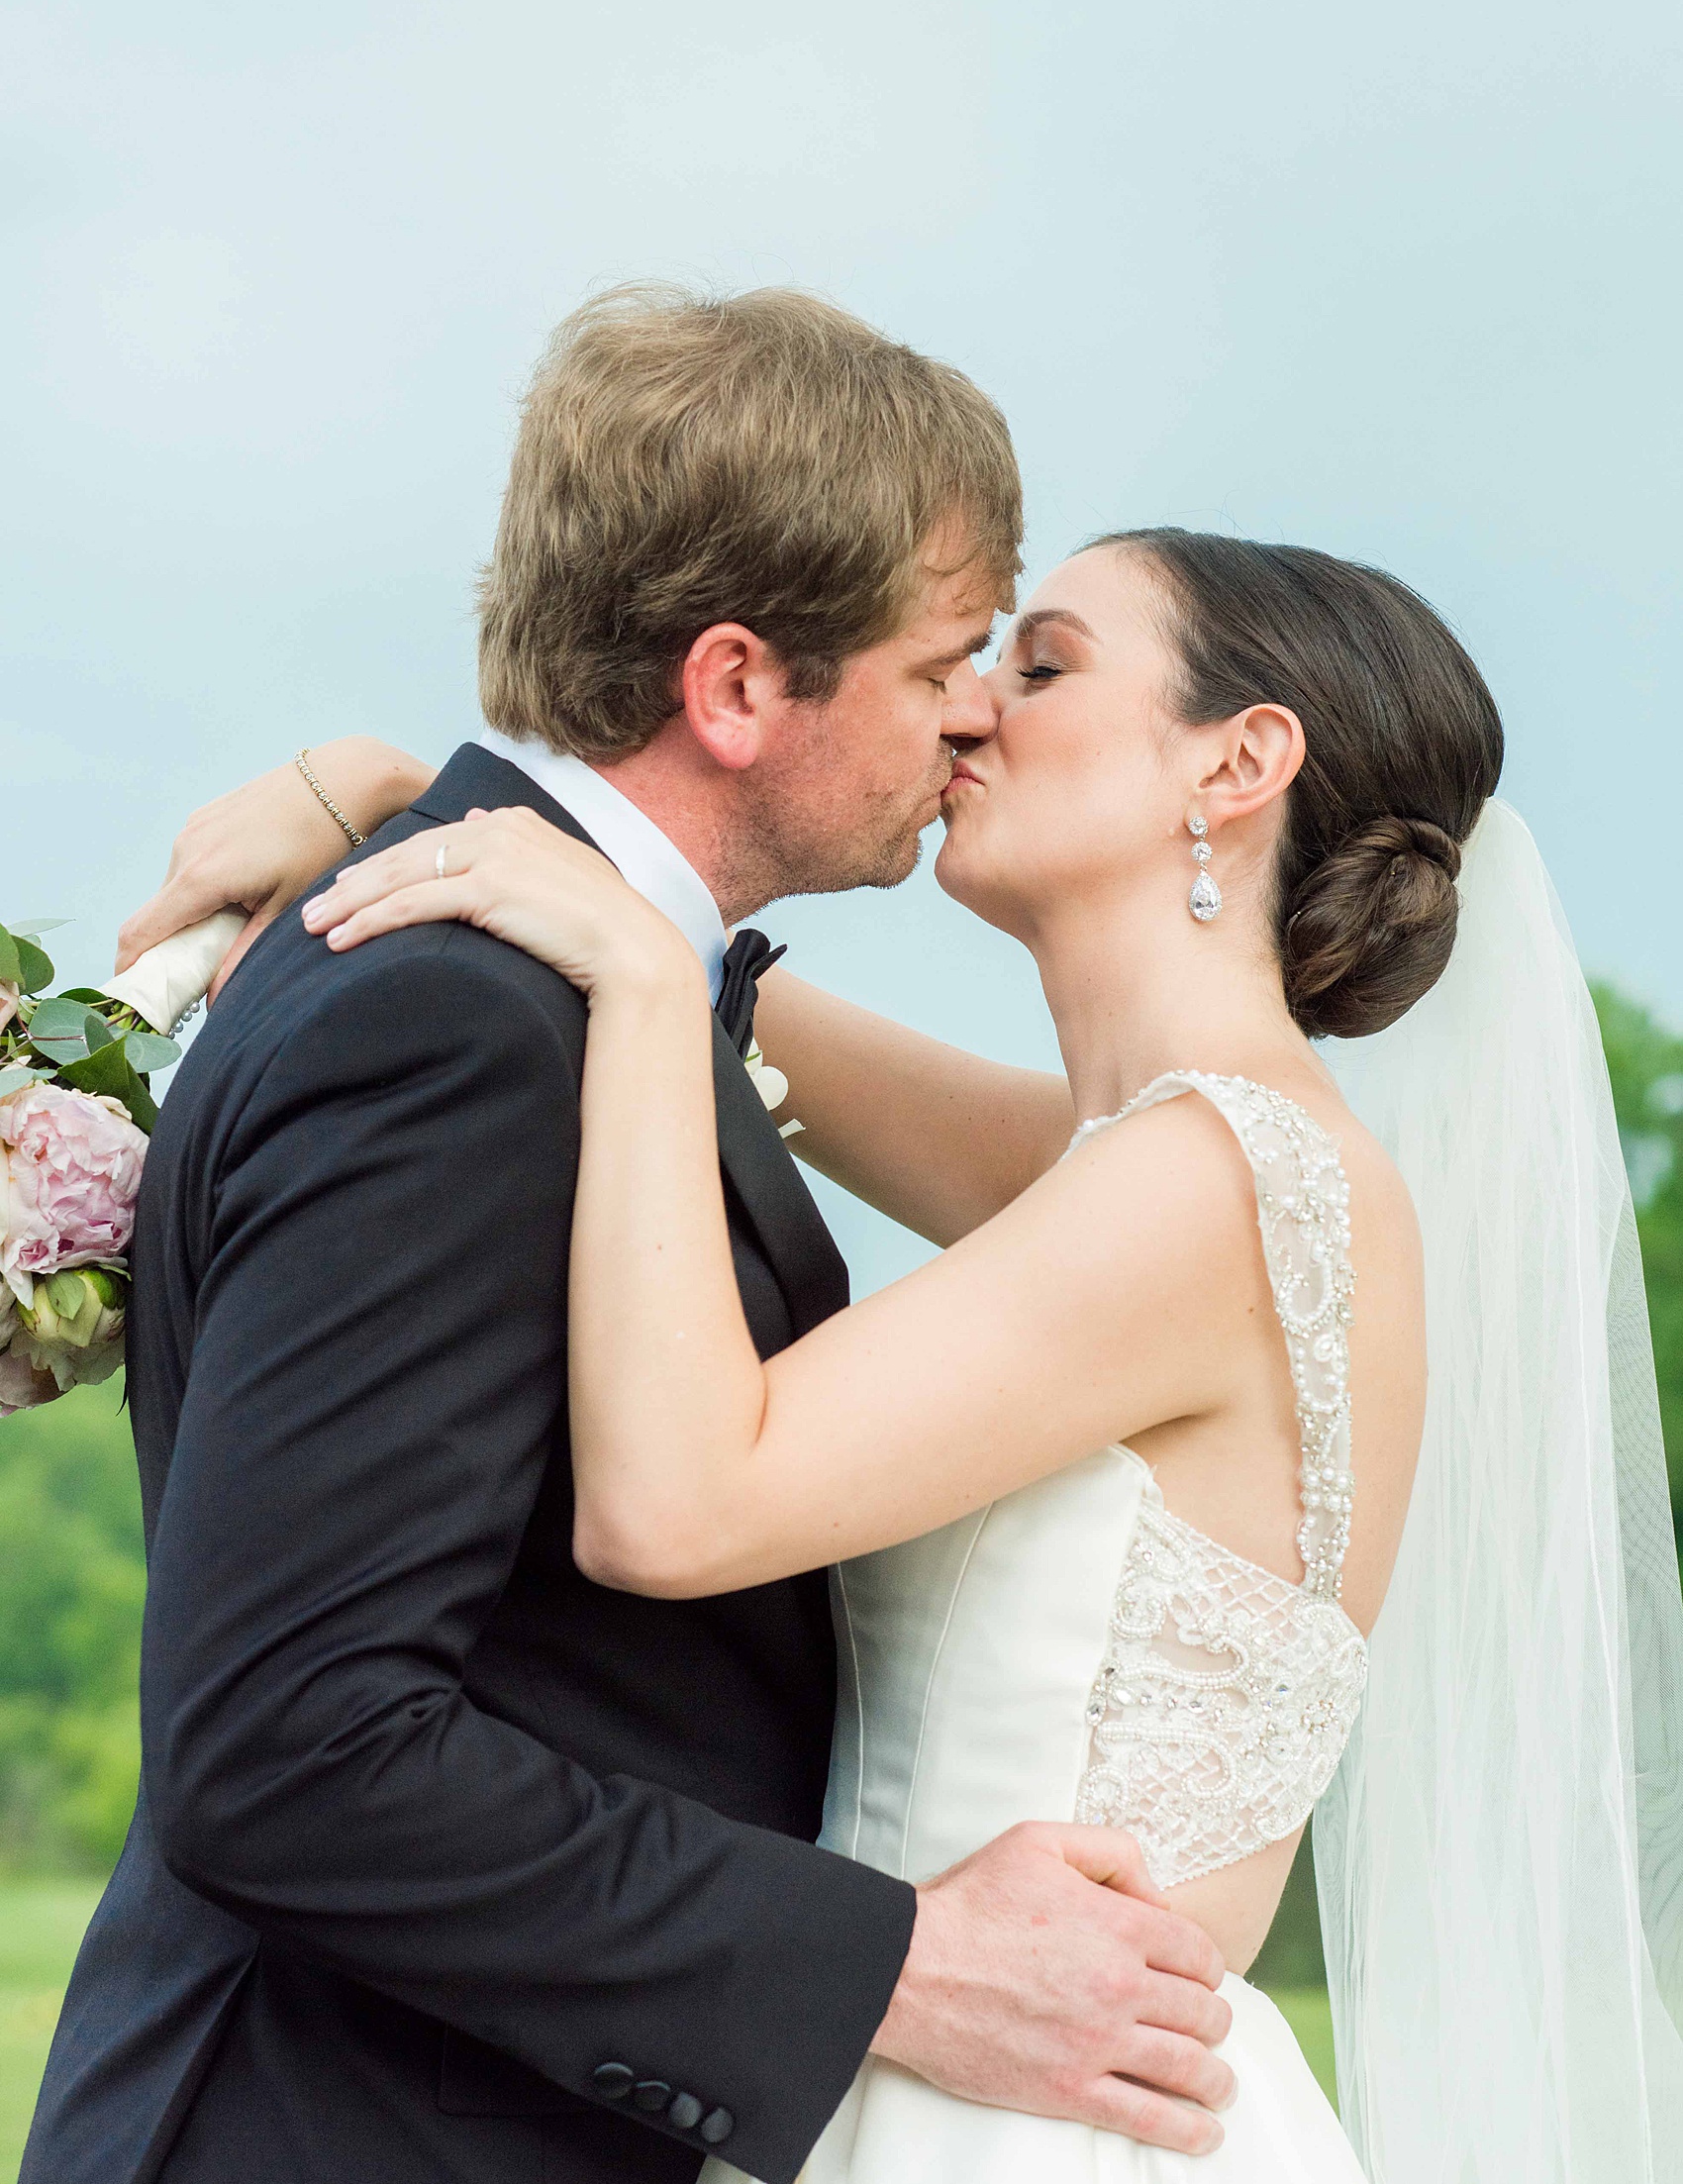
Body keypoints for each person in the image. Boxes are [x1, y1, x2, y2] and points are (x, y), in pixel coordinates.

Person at [142, 522, 1683, 2179]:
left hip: (1040, 2118)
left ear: (1240, 761)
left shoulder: (1209, 1193)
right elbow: (691, 943)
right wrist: (405, 791)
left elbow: (674, 1504)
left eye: (1043, 665)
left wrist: (647, 996)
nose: (972, 716)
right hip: (923, 2076)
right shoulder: (1142, 1166)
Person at [22, 289, 1238, 2184]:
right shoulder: (461, 1029)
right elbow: (286, 1742)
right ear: (741, 687)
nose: (971, 712)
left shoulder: (583, 986)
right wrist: (900, 1971)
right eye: (940, 664)